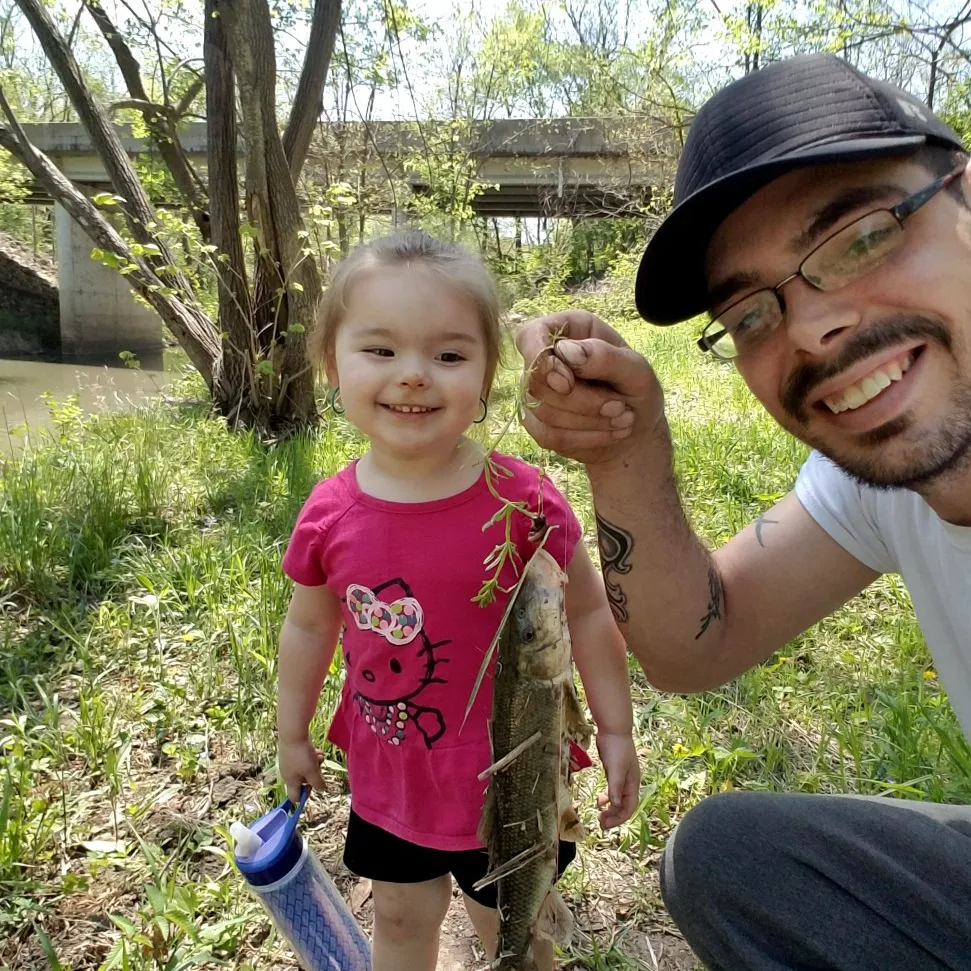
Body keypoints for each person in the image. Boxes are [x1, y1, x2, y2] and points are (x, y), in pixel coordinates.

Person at [515, 52, 971, 971]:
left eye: (861, 236)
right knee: (727, 858)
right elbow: (697, 641)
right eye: (754, 313)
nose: (808, 330)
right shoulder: (878, 482)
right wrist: (623, 447)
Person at [274, 229, 640, 971]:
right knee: (402, 920)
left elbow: (589, 614)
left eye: (447, 355)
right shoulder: (328, 512)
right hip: (393, 776)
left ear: (485, 377)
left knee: (514, 926)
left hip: (517, 786)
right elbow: (308, 627)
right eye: (380, 351)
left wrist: (615, 727)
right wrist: (291, 732)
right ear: (330, 365)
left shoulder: (525, 504)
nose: (414, 376)